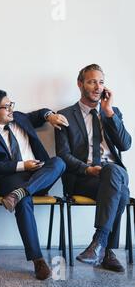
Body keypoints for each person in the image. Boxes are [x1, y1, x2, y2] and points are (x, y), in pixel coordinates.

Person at [0, 89, 67, 280]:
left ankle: (21, 192)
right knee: (23, 200)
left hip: (39, 177)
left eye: (11, 104)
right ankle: (38, 260)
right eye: (5, 106)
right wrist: (21, 165)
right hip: (11, 179)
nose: (10, 109)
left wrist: (50, 116)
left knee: (58, 162)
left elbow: (41, 112)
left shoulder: (19, 118)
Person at [55, 64, 131, 272]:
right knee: (122, 193)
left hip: (112, 174)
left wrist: (108, 113)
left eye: (101, 82)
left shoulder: (112, 113)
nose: (98, 87)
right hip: (83, 177)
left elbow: (125, 144)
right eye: (91, 81)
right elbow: (63, 155)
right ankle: (107, 251)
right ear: (80, 84)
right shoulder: (65, 116)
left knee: (114, 171)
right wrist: (87, 169)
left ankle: (98, 243)